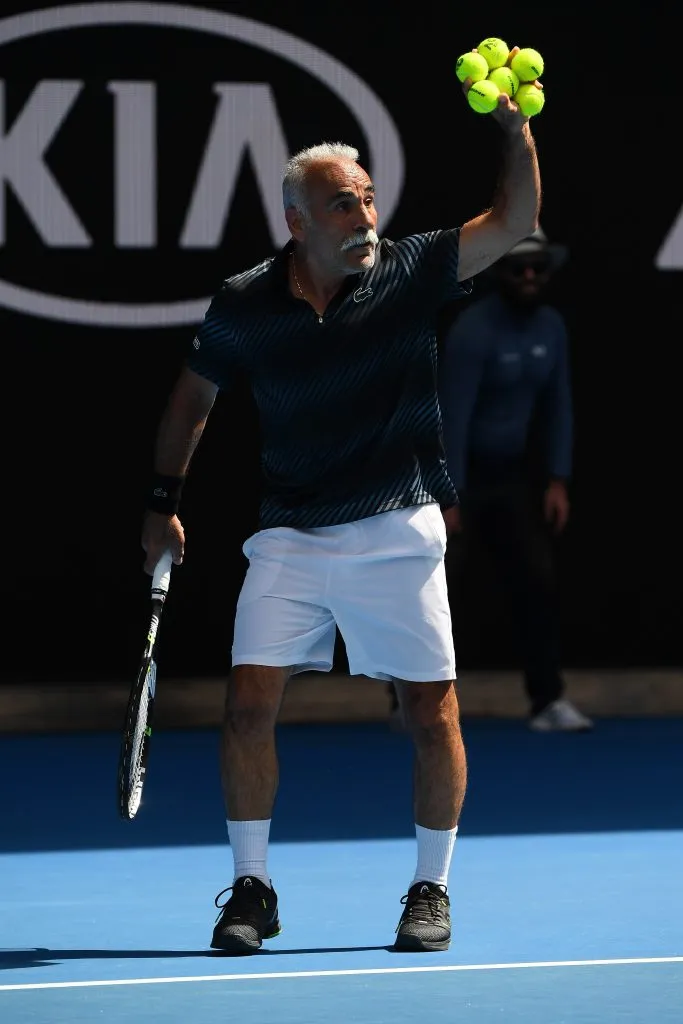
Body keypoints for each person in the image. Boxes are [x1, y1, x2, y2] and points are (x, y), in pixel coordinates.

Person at [141, 60, 542, 955]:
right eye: (341, 206)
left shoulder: (411, 271)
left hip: (399, 524)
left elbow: (514, 222)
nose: (363, 217)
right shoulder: (244, 305)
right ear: (296, 222)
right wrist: (162, 501)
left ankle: (429, 891)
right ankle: (252, 888)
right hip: (289, 533)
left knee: (431, 713)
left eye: (366, 200)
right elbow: (188, 405)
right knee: (247, 705)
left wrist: (513, 134)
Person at [435, 228, 593, 732]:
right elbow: (452, 417)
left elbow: (560, 406)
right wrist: (448, 493)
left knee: (537, 585)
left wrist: (558, 479)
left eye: (537, 268)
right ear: (499, 272)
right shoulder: (473, 331)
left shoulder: (551, 327)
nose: (529, 277)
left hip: (515, 478)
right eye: (518, 267)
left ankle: (547, 701)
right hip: (461, 480)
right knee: (438, 594)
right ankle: (413, 703)